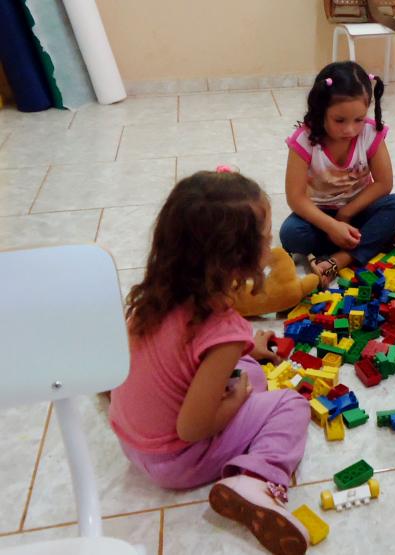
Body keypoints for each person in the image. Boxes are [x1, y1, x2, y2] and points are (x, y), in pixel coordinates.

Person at [109, 170, 311, 555]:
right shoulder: (222, 329)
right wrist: (233, 401)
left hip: (131, 440)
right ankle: (254, 481)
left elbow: (185, 348)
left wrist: (244, 351)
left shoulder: (151, 299)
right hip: (175, 458)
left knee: (250, 371)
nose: (271, 240)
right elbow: (192, 428)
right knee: (289, 405)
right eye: (266, 235)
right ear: (238, 260)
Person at [280, 61, 395, 288]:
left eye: (359, 119)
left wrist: (345, 214)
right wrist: (332, 226)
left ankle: (341, 258)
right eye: (339, 120)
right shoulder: (304, 140)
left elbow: (383, 183)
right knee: (291, 235)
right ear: (322, 111)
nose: (350, 130)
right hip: (319, 215)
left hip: (359, 209)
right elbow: (296, 197)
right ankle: (373, 239)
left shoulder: (371, 133)